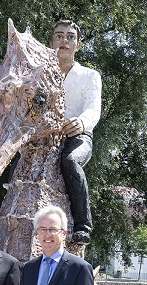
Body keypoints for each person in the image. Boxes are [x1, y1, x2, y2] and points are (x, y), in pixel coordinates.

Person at [51, 19, 102, 245]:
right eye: (60, 36)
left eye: (70, 37)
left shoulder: (90, 76)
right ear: (52, 41)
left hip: (78, 136)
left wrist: (81, 123)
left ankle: (83, 225)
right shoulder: (40, 75)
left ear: (78, 45)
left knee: (70, 161)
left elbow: (93, 108)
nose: (64, 40)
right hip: (47, 137)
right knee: (19, 168)